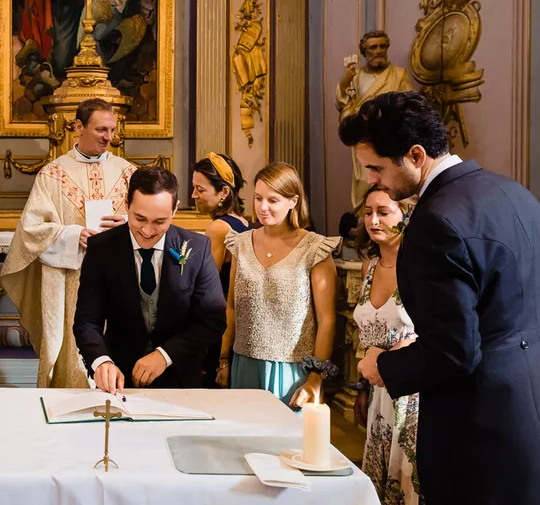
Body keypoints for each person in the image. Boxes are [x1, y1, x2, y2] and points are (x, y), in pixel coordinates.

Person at [341, 91, 540, 504]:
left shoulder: (436, 221)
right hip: (526, 405)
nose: (371, 181)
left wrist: (384, 366)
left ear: (415, 155)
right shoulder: (516, 194)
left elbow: (455, 351)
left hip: (476, 426)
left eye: (376, 168)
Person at [1, 98, 135, 388]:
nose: (108, 137)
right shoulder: (52, 174)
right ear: (78, 127)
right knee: (74, 359)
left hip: (119, 281)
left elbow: (148, 222)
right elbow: (31, 231)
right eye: (101, 129)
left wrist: (127, 225)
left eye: (112, 130)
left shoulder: (128, 173)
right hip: (71, 282)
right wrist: (74, 235)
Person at [73, 166, 226, 391]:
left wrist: (165, 355)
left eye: (159, 221)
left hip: (181, 381)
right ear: (127, 204)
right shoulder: (101, 249)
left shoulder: (197, 248)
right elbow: (87, 321)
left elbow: (212, 321)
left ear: (174, 210)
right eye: (140, 218)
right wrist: (102, 361)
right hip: (119, 379)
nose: (147, 230)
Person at [216, 163, 339, 407]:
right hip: (244, 365)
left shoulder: (315, 248)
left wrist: (315, 378)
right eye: (258, 198)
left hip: (294, 372)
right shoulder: (240, 243)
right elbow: (231, 307)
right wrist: (224, 360)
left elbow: (327, 320)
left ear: (293, 201)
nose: (263, 207)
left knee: (288, 444)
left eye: (273, 200)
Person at [352, 186, 420, 504]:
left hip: (412, 393)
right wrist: (360, 389)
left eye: (383, 212)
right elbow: (362, 336)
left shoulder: (419, 267)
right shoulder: (368, 268)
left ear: (406, 215)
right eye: (368, 213)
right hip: (378, 392)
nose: (374, 220)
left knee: (407, 482)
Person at [191, 153, 251, 387]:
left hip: (219, 323)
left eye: (200, 189)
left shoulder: (218, 228)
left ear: (224, 192)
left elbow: (206, 285)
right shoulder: (243, 222)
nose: (193, 195)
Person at [336, 30, 413, 210]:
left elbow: (410, 105)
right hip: (364, 142)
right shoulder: (355, 77)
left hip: (391, 142)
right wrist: (346, 81)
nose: (378, 51)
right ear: (365, 52)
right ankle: (363, 224)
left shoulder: (398, 75)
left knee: (392, 184)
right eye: (373, 47)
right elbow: (343, 105)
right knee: (365, 181)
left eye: (382, 46)